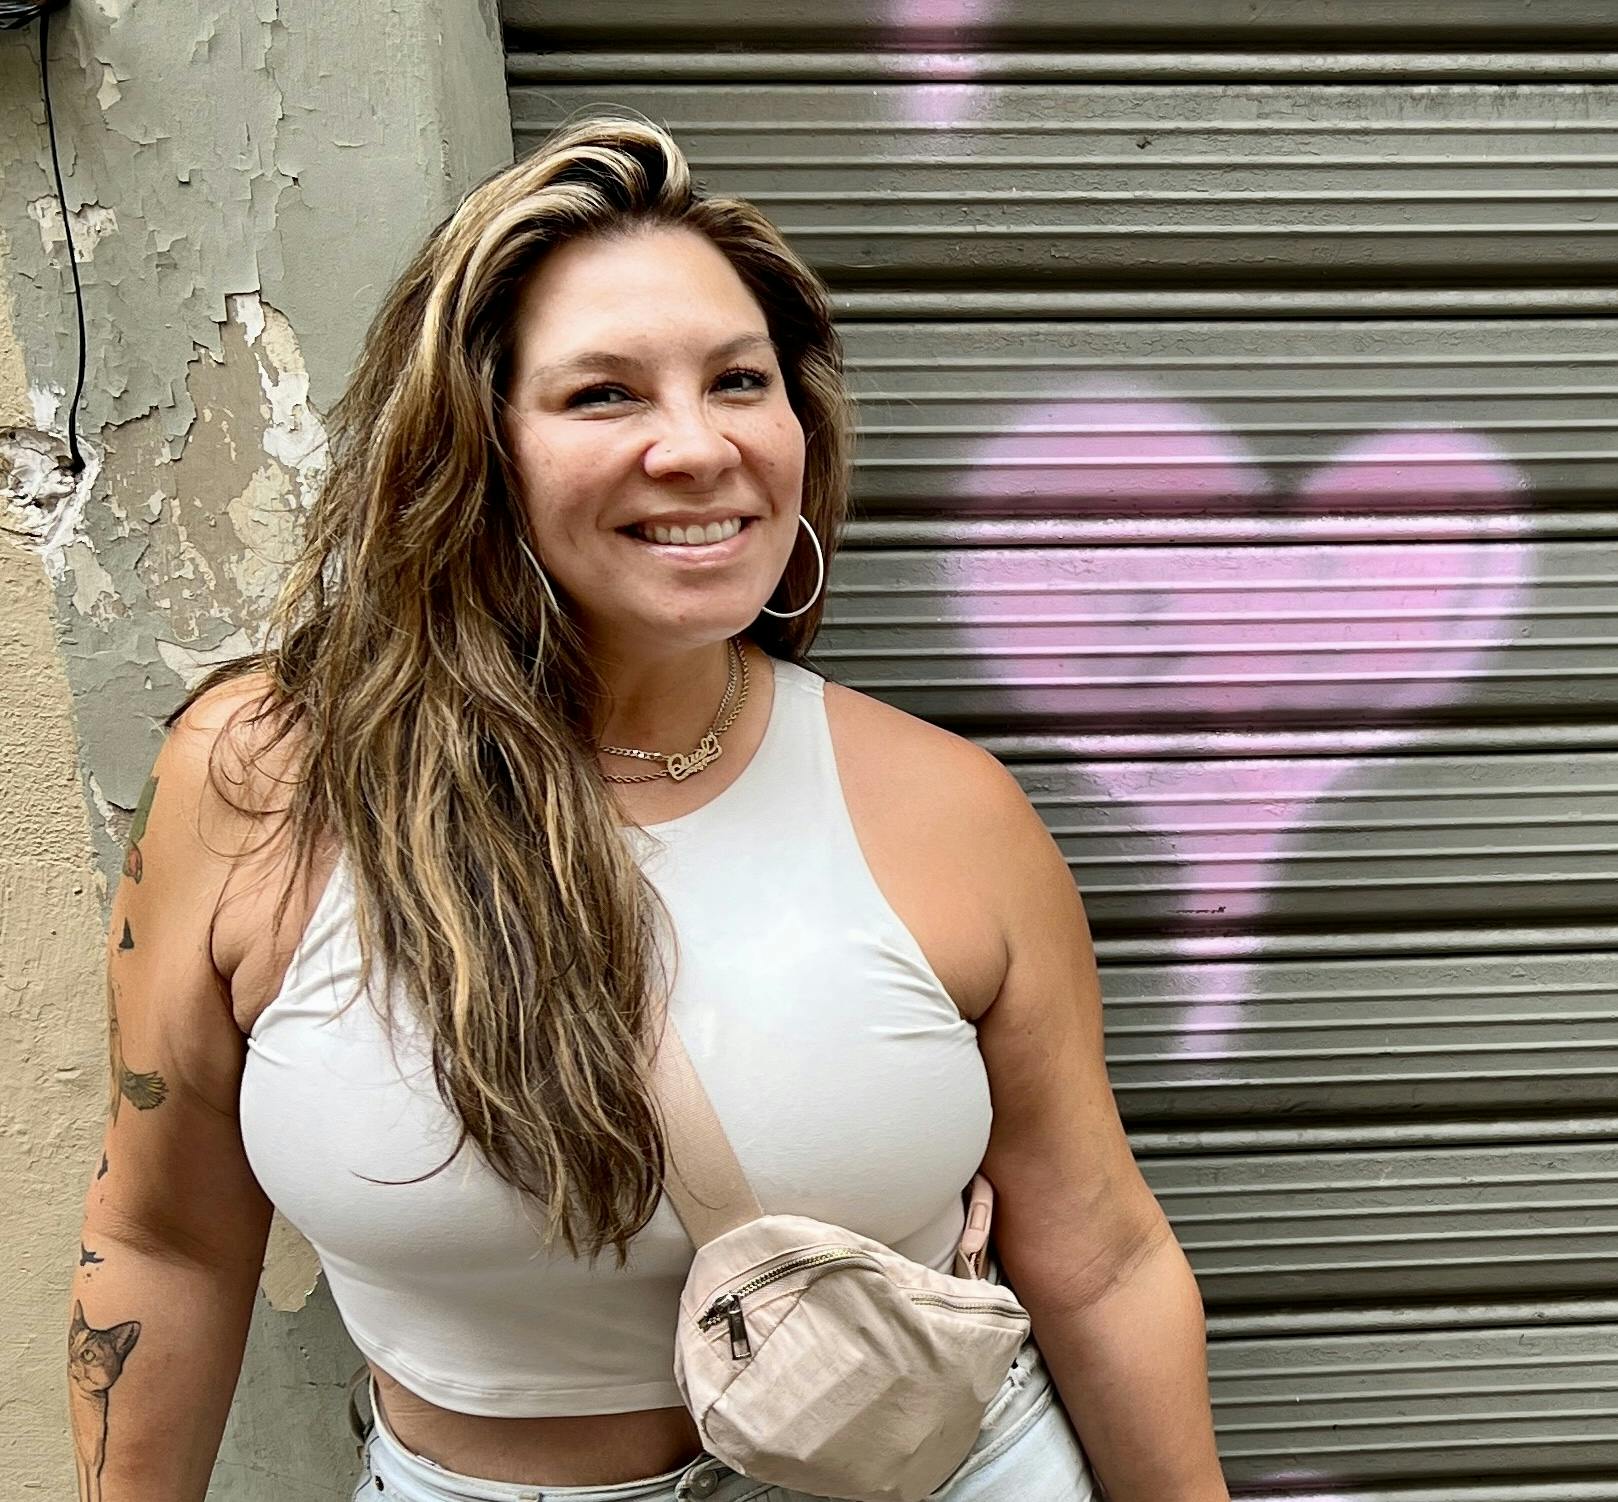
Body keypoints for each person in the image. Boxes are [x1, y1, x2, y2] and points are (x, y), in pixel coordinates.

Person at [68, 115, 1229, 1502]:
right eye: (604, 395)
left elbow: (1099, 1251)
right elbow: (166, 1244)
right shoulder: (265, 781)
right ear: (469, 446)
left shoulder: (945, 804)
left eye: (738, 382)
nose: (697, 447)